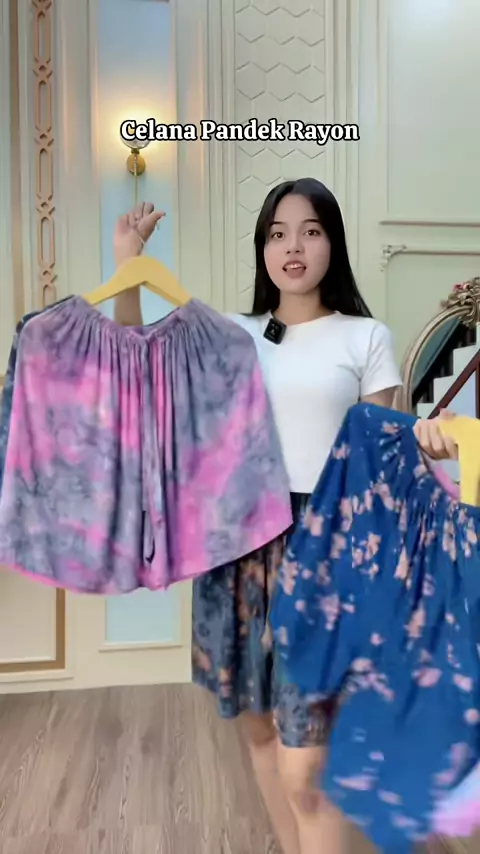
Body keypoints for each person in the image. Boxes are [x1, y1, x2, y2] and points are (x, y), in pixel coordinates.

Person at [112, 180, 458, 854]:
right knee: (261, 735)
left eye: (310, 230)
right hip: (238, 542)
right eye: (277, 233)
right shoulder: (233, 333)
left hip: (328, 546)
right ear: (262, 248)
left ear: (333, 242)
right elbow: (136, 370)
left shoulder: (365, 337)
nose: (292, 246)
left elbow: (383, 460)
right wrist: (129, 262)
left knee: (309, 769)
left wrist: (430, 446)